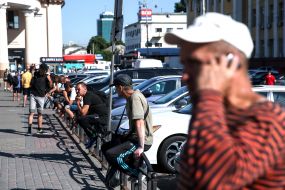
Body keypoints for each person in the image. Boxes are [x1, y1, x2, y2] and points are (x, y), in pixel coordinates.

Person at [164, 12, 285, 189]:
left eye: (194, 63)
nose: (184, 76)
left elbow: (212, 182)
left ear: (230, 62)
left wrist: (208, 96)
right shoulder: (213, 114)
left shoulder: (265, 119)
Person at [102, 74, 153, 178]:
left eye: (116, 88)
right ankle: (119, 173)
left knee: (111, 154)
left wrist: (141, 147)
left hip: (141, 140)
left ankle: (136, 173)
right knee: (106, 146)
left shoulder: (135, 98)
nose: (116, 91)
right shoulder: (132, 97)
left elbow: (140, 122)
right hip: (134, 137)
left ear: (120, 87)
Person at [75, 82, 108, 149]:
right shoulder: (86, 95)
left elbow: (83, 113)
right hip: (97, 116)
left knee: (81, 119)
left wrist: (78, 103)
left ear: (84, 89)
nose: (77, 91)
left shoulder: (88, 95)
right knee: (80, 118)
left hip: (101, 118)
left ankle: (92, 136)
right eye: (76, 90)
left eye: (78, 89)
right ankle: (93, 136)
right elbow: (85, 112)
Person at [27, 64, 52, 135]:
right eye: (44, 69)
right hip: (33, 96)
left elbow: (50, 86)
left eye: (45, 70)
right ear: (40, 69)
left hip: (41, 97)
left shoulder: (46, 76)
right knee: (31, 112)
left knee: (40, 113)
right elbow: (31, 83)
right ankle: (29, 130)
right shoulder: (35, 74)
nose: (45, 71)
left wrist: (50, 80)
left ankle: (39, 129)